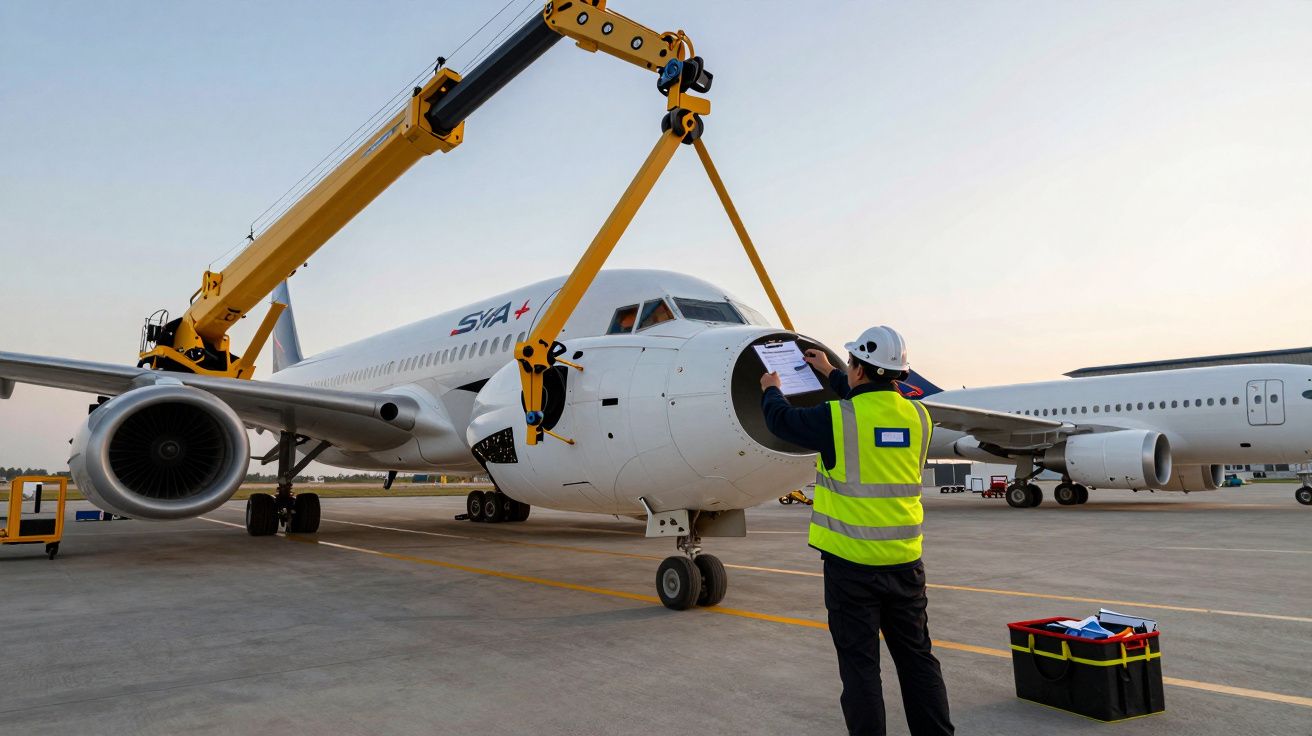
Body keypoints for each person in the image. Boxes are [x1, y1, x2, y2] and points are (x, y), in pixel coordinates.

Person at [760, 326, 953, 736]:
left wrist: (770, 388)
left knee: (861, 668)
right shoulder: (921, 418)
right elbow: (870, 408)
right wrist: (830, 371)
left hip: (851, 569)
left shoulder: (834, 418)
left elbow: (780, 420)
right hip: (905, 563)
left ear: (861, 370)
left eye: (849, 364)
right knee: (918, 660)